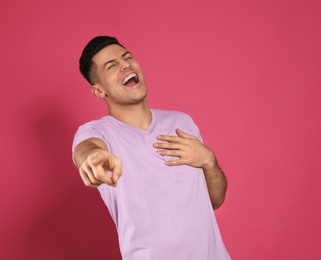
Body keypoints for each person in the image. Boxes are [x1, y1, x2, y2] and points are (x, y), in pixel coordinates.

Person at [72, 36, 231, 260]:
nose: (125, 65)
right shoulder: (98, 132)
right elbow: (86, 149)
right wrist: (94, 157)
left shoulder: (182, 123)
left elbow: (216, 200)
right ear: (99, 91)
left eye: (127, 57)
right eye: (112, 66)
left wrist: (209, 161)